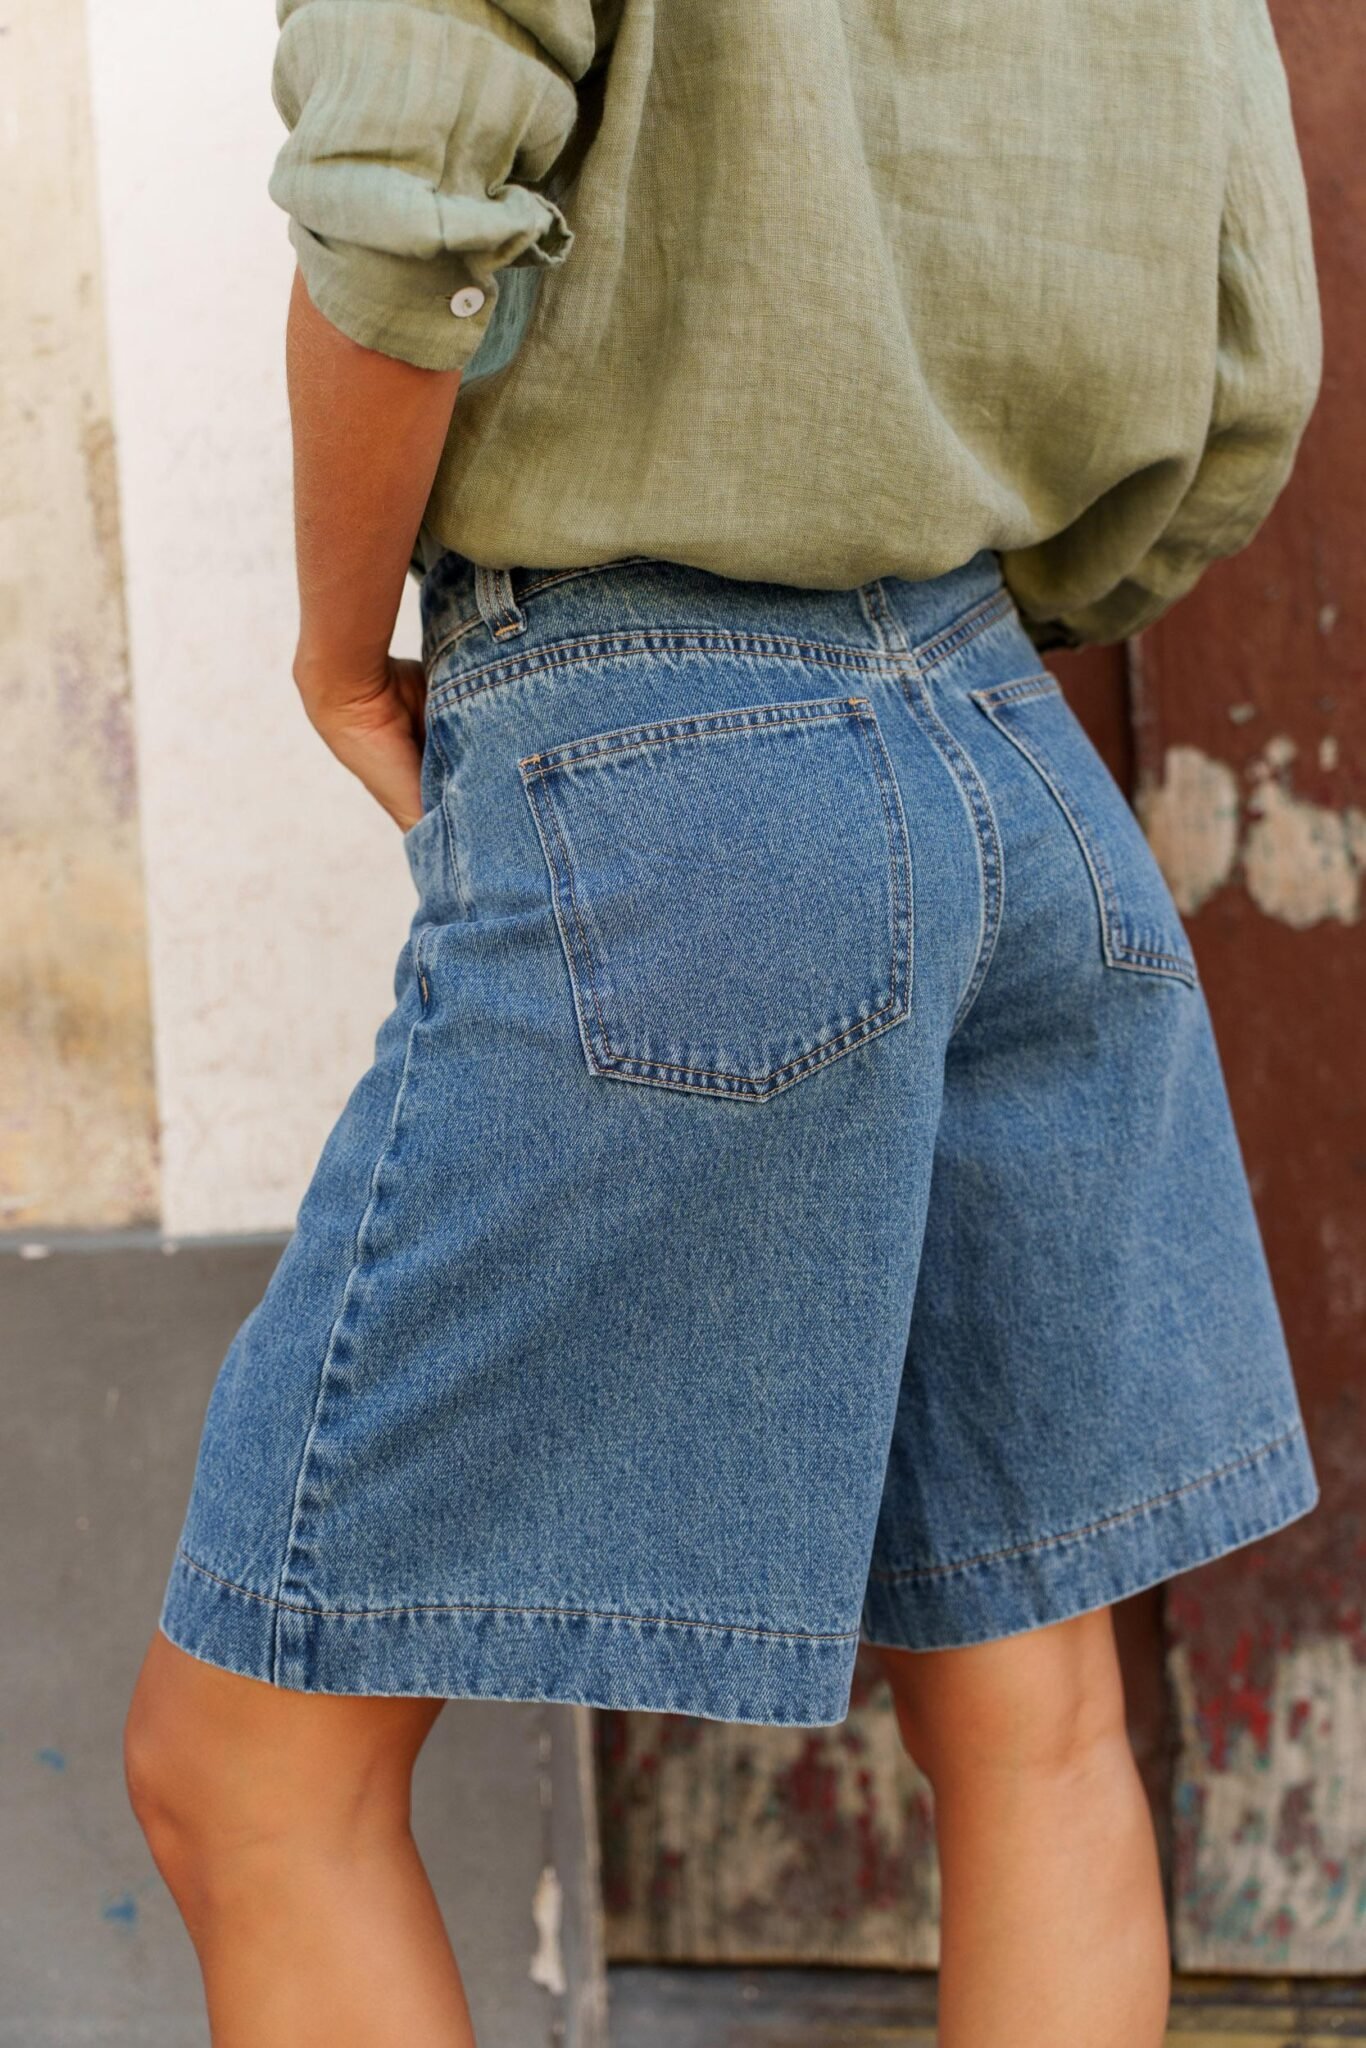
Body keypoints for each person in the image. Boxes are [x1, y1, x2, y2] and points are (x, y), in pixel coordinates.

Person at [122, 3, 1323, 2043]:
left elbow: (405, 209)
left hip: (665, 761)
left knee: (248, 1770)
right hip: (1007, 755)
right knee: (1034, 1724)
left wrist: (338, 651)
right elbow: (1245, 364)